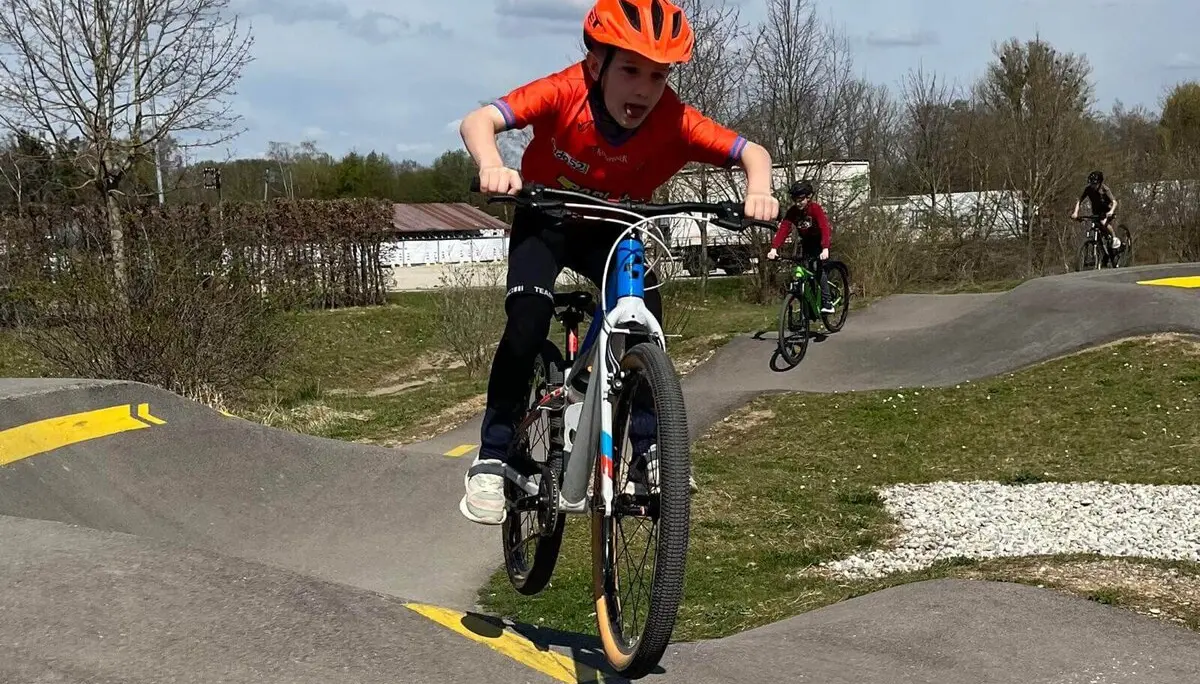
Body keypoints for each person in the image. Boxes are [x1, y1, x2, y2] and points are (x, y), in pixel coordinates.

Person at [455, 0, 779, 525]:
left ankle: (649, 451)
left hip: (614, 229)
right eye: (630, 69)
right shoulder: (565, 90)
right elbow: (480, 121)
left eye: (658, 75)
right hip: (547, 219)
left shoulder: (675, 119)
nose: (644, 89)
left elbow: (752, 153)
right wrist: (492, 166)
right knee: (527, 322)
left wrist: (759, 190)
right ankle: (494, 457)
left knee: (646, 323)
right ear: (596, 63)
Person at [766, 180, 833, 313]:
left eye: (801, 199)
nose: (798, 203)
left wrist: (825, 248)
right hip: (806, 242)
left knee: (818, 270)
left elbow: (824, 227)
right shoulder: (793, 212)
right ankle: (808, 303)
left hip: (819, 242)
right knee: (804, 272)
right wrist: (774, 248)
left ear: (808, 198)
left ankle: (827, 302)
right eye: (795, 200)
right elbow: (784, 229)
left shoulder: (815, 209)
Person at [1071, 170, 1121, 252]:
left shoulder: (1105, 189)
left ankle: (1114, 237)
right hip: (1096, 211)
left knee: (1103, 222)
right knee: (1094, 224)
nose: (1092, 186)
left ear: (1100, 183)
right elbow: (1079, 201)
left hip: (1107, 210)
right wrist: (1075, 213)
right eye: (1091, 184)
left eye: (1094, 184)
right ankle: (1101, 247)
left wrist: (1111, 211)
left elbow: (1114, 202)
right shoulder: (1088, 190)